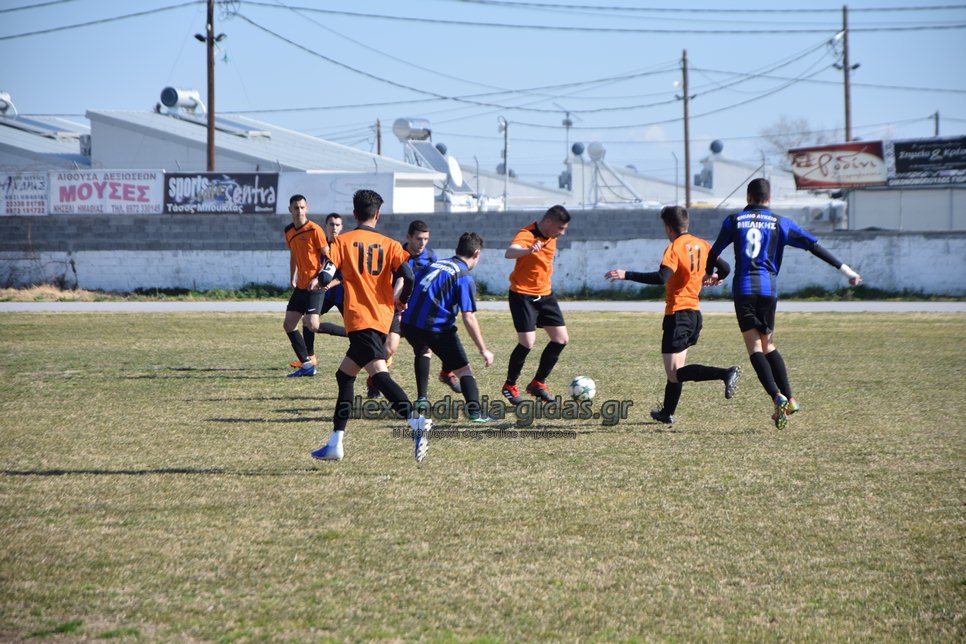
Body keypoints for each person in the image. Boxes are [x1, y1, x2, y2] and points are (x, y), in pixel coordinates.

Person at [705, 177, 862, 430]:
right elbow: (813, 245)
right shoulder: (780, 222)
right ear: (769, 199)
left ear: (748, 197)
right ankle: (790, 399)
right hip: (769, 290)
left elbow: (714, 253)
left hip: (744, 288)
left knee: (754, 347)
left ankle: (776, 396)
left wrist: (710, 273)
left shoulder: (734, 220)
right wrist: (847, 271)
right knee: (768, 345)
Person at [310, 189, 432, 463]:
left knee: (379, 374)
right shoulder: (391, 245)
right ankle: (335, 443)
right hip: (381, 318)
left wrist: (319, 281)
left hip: (360, 319)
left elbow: (327, 273)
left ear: (354, 214)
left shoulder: (342, 241)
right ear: (377, 214)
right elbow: (409, 277)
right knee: (344, 376)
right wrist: (402, 301)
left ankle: (416, 421)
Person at [605, 206, 740, 425]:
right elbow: (725, 268)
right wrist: (714, 277)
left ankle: (725, 373)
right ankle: (667, 412)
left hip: (677, 315)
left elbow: (661, 277)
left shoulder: (675, 248)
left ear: (668, 228)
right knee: (677, 369)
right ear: (686, 223)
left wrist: (626, 274)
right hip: (694, 315)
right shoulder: (702, 244)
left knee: (675, 374)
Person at [401, 232, 495, 421]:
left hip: (409, 323)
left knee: (425, 351)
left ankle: (425, 394)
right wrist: (483, 349)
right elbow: (468, 317)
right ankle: (475, 413)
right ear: (476, 253)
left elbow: (412, 284)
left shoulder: (436, 264)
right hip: (433, 328)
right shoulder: (463, 276)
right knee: (464, 370)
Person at [370, 220, 461, 398]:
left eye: (426, 239)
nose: (422, 243)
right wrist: (393, 302)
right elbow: (393, 280)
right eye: (419, 239)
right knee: (389, 348)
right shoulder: (397, 253)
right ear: (409, 237)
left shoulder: (430, 256)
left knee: (430, 347)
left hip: (419, 311)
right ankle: (374, 378)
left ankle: (430, 388)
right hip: (396, 307)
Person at [501, 205, 571, 405]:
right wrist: (529, 250)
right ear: (548, 222)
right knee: (527, 342)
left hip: (545, 294)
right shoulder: (528, 234)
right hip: (522, 294)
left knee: (561, 339)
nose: (562, 233)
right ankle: (509, 386)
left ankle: (537, 384)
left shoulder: (552, 236)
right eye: (560, 228)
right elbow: (509, 252)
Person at [287, 212, 347, 371]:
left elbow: (345, 274)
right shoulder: (321, 244)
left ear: (342, 227)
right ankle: (310, 356)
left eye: (337, 225)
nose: (334, 228)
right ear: (326, 226)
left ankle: (357, 339)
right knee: (308, 321)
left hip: (341, 294)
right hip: (323, 293)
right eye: (331, 224)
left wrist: (329, 284)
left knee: (355, 326)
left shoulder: (344, 246)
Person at [282, 194, 328, 378]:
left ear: (306, 208)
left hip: (315, 286)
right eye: (296, 208)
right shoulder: (289, 231)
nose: (299, 211)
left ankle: (348, 332)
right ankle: (307, 365)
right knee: (288, 324)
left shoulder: (315, 229)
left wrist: (319, 278)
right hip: (301, 286)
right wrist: (292, 276)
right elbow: (294, 254)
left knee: (312, 324)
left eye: (302, 207)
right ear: (290, 210)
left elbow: (329, 257)